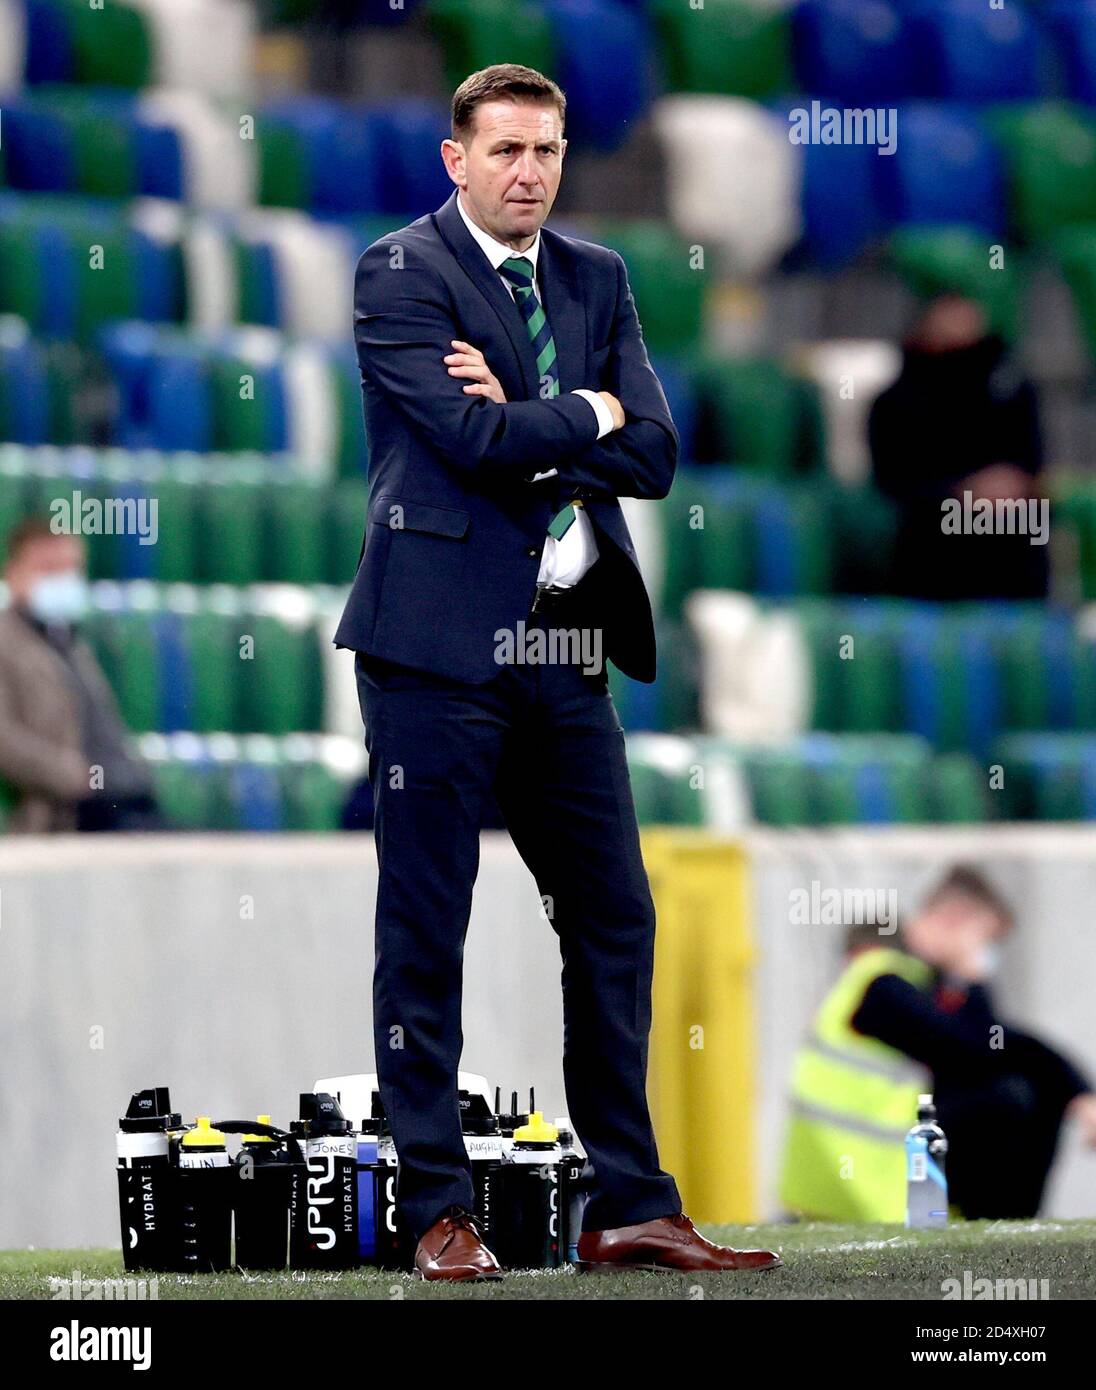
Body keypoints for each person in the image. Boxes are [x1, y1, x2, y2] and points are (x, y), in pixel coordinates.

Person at [333, 64, 780, 1280]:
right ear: (456, 160)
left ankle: (630, 1201)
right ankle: (439, 1208)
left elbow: (654, 452)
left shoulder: (598, 276)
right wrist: (582, 413)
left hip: (566, 649)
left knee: (613, 916)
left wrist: (553, 406)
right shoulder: (396, 273)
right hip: (433, 654)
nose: (529, 171)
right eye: (508, 150)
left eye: (548, 150)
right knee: (427, 928)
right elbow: (465, 439)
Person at [780, 867, 1096, 1222]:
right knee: (1008, 1096)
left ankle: (1011, 1232)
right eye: (986, 941)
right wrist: (973, 979)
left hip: (887, 1168)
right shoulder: (880, 982)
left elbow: (1009, 1042)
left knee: (1036, 1086)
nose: (987, 956)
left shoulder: (918, 980)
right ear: (954, 920)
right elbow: (975, 1053)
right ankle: (998, 1226)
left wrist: (1079, 1094)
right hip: (850, 1186)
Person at [869, 293, 1048, 600]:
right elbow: (892, 482)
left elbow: (1031, 464)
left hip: (1011, 541)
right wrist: (963, 492)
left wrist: (1010, 486)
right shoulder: (896, 402)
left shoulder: (1012, 392)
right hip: (932, 541)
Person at [0, 518, 164, 833]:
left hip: (123, 797)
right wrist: (78, 777)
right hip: (70, 809)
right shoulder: (7, 641)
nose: (61, 581)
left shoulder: (71, 643)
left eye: (69, 570)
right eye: (48, 570)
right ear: (13, 574)